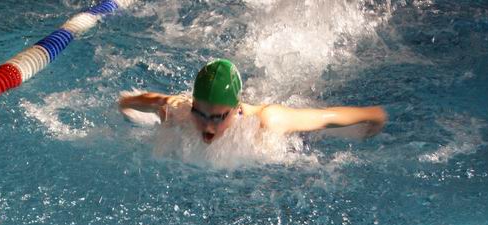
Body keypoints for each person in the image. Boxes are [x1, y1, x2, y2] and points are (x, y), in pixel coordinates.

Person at [118, 58, 387, 145]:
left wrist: (372, 115)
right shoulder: (182, 109)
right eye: (200, 113)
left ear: (236, 109)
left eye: (218, 117)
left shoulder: (268, 121)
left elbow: (326, 118)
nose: (207, 126)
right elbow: (143, 100)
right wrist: (126, 106)